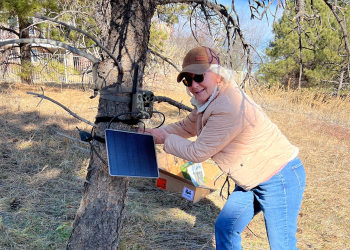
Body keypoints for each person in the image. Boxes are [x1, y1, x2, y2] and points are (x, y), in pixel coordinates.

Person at [141, 46, 306, 250]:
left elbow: (197, 152)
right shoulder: (208, 101)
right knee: (226, 228)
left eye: (199, 76)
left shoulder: (229, 104)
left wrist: (164, 139)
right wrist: (150, 135)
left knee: (283, 245)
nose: (193, 85)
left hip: (278, 176)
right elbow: (185, 127)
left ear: (218, 76)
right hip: (253, 178)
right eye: (187, 80)